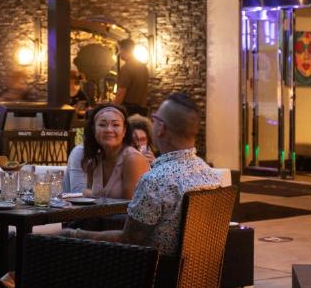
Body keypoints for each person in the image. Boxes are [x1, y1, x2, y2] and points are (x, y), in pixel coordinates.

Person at [61, 93, 221, 256]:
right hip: (198, 266)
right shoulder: (211, 176)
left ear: (161, 128)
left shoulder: (156, 180)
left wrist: (72, 234)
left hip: (150, 267)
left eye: (154, 119)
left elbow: (129, 239)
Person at [63, 103, 150, 197]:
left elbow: (132, 204)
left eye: (115, 125)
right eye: (102, 125)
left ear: (124, 131)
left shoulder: (132, 159)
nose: (109, 130)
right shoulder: (94, 160)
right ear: (94, 130)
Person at [113, 38, 149, 117]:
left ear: (124, 50)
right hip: (142, 110)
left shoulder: (126, 68)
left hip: (129, 110)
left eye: (120, 50)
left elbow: (121, 93)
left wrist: (112, 110)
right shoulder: (144, 67)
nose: (119, 53)